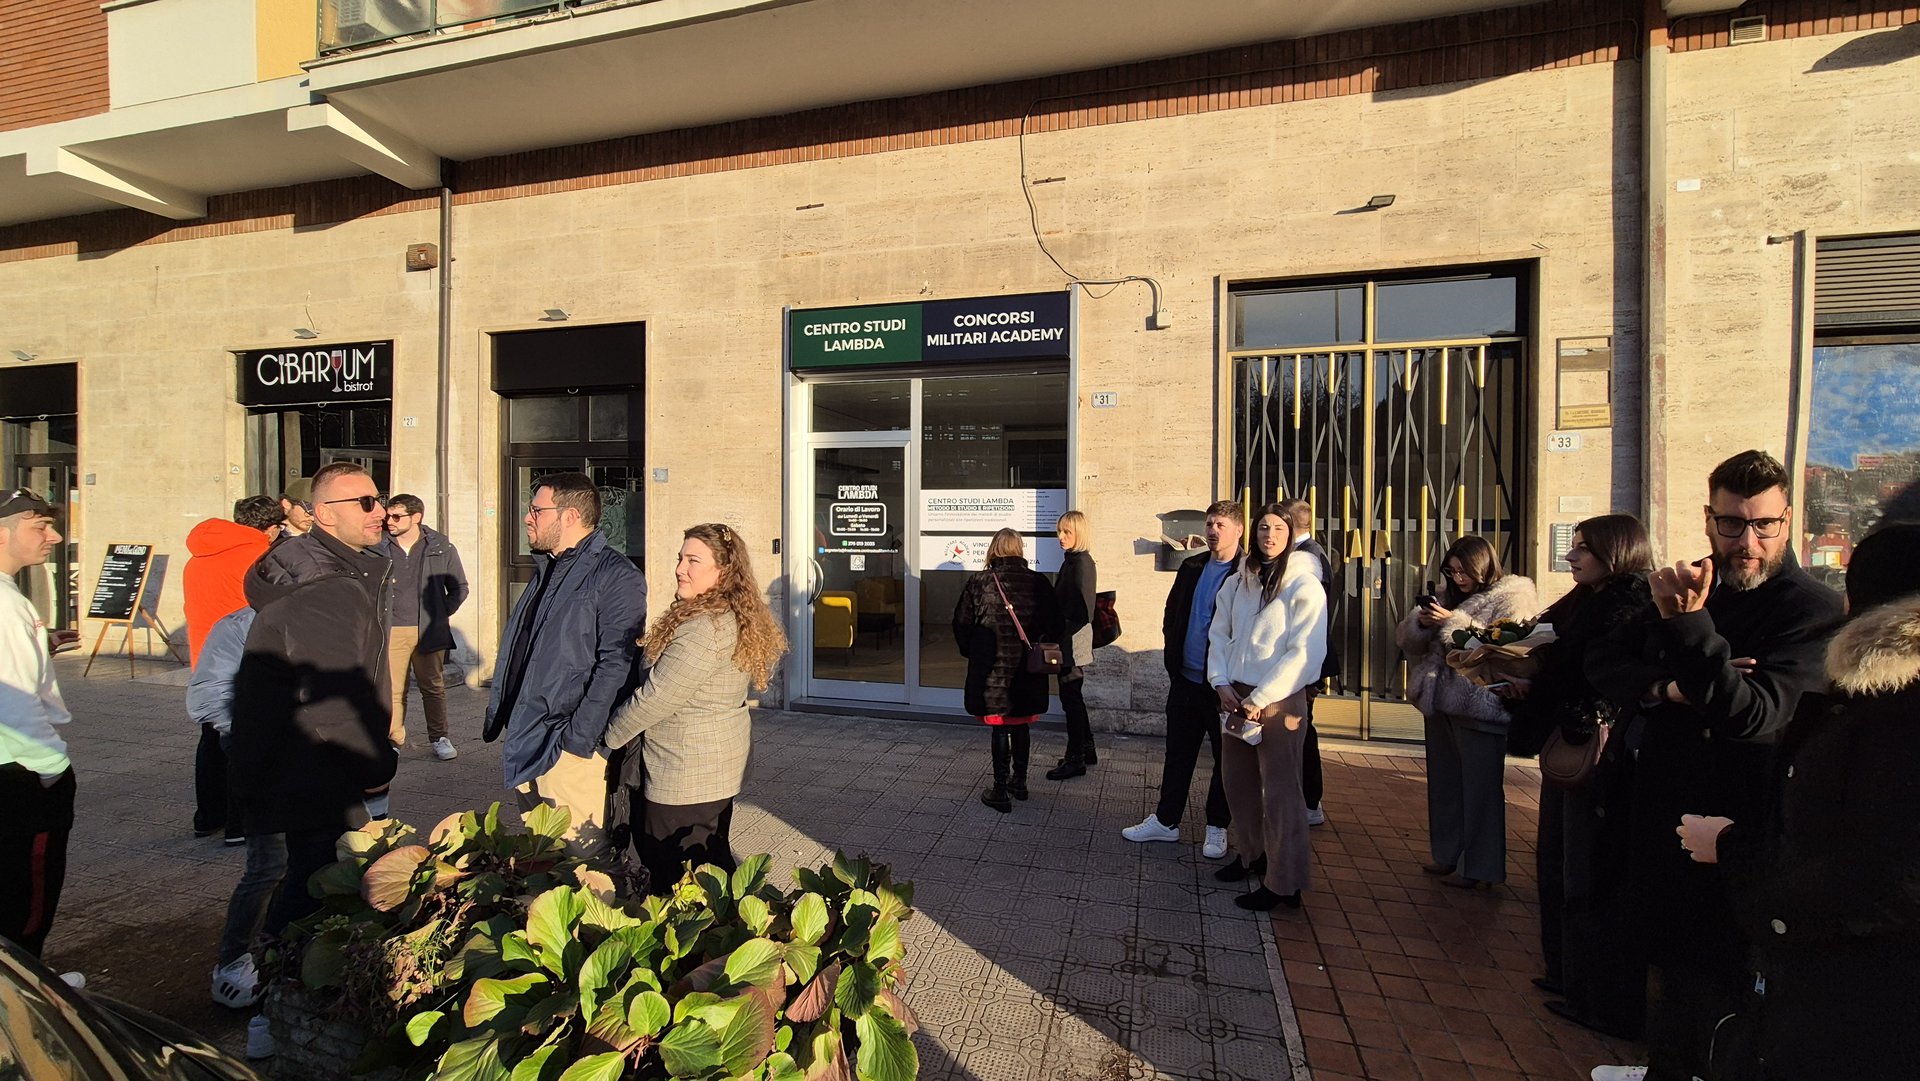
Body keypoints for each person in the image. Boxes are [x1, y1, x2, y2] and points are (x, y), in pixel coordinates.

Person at [1587, 449, 1842, 1081]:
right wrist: (1669, 688)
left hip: (1738, 821)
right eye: (1731, 524)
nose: (1747, 542)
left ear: (1788, 520)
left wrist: (1690, 629)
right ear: (1709, 519)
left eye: (1764, 524)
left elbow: (1753, 714)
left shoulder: (1809, 608)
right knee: (1668, 970)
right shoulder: (1687, 586)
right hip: (1660, 809)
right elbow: (1603, 663)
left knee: (1724, 986)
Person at [1676, 521, 1920, 1081]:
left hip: (1863, 994)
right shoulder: (1875, 694)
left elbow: (1884, 870)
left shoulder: (1893, 709)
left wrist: (1732, 850)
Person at [1498, 514, 1656, 1039]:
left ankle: (1590, 989)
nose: (1571, 556)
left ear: (1617, 551)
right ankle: (1564, 972)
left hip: (1597, 752)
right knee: (1556, 859)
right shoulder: (1581, 600)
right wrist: (1524, 682)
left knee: (1583, 867)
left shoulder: (1631, 605)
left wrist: (1555, 693)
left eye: (1583, 548)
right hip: (1566, 742)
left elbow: (1605, 681)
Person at [228, 462, 397, 943]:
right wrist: (375, 762)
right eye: (365, 503)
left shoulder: (321, 566)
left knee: (308, 875)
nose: (380, 512)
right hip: (309, 766)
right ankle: (270, 973)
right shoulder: (328, 585)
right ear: (324, 513)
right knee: (315, 885)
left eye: (380, 500)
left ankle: (271, 965)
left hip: (300, 762)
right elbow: (329, 696)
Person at [603, 523, 786, 892]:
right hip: (710, 768)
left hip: (686, 773)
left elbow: (655, 698)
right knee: (709, 865)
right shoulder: (720, 614)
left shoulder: (706, 629)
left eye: (693, 560)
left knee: (677, 871)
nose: (680, 568)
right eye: (680, 558)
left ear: (724, 571)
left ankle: (724, 927)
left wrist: (606, 738)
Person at [485, 473, 647, 858]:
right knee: (542, 855)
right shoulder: (550, 568)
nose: (527, 518)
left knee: (584, 861)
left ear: (569, 516)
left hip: (568, 748)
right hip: (529, 736)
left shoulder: (616, 576)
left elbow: (617, 666)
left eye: (536, 510)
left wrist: (577, 740)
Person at [1397, 535, 1537, 889]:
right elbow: (1408, 642)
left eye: (1464, 571)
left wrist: (1452, 622)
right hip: (1440, 701)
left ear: (1484, 567)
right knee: (1445, 784)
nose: (1459, 578)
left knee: (1481, 790)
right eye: (1452, 571)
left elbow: (1506, 648)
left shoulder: (1513, 596)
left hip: (1481, 701)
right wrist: (1422, 623)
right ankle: (1447, 853)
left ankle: (1480, 868)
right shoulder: (1447, 596)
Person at [1208, 502, 1327, 911]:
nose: (1270, 535)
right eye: (1263, 527)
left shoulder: (1304, 585)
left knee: (1280, 793)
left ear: (1291, 534)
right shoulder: (1238, 582)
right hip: (1235, 696)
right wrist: (1220, 682)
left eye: (1278, 528)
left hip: (1278, 698)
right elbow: (1218, 634)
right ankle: (1252, 856)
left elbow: (1304, 653)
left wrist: (1260, 698)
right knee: (1237, 783)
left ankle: (1284, 882)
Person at [1124, 499, 1243, 858]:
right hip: (1185, 680)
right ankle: (1166, 821)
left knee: (1226, 759)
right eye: (1209, 524)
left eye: (1220, 525)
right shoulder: (1193, 566)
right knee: (1178, 753)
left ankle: (1217, 826)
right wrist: (1172, 658)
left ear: (1239, 530)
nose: (1212, 531)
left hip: (1224, 688)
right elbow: (1172, 612)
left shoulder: (1246, 573)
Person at [191, 605, 284, 1009]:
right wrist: (248, 739)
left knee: (310, 860)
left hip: (315, 755)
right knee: (269, 864)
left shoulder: (326, 614)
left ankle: (283, 950)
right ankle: (232, 962)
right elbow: (208, 695)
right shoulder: (238, 626)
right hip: (261, 755)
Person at [183, 495, 285, 844]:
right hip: (241, 657)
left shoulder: (198, 556)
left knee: (211, 739)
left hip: (204, 656)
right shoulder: (259, 557)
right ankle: (238, 824)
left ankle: (206, 817)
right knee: (244, 742)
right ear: (270, 528)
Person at [0, 489, 74, 957]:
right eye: (40, 526)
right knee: (25, 905)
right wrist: (52, 768)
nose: (55, 536)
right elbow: (14, 703)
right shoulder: (7, 607)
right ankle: (28, 986)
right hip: (18, 777)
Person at [952, 528, 1062, 812]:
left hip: (993, 670)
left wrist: (975, 651)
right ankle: (1020, 783)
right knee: (1021, 722)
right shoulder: (1039, 582)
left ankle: (1000, 790)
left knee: (1000, 726)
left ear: (994, 549)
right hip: (1027, 669)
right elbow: (1055, 625)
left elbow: (961, 624)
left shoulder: (979, 582)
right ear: (1019, 549)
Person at [379, 493, 469, 760]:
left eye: (397, 516)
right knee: (394, 689)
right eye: (388, 516)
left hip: (428, 628)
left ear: (416, 517)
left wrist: (440, 613)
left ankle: (439, 737)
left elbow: (459, 587)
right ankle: (394, 740)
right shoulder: (379, 546)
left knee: (433, 687)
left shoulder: (441, 546)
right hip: (393, 628)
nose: (390, 521)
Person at [1278, 498, 1337, 826]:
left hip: (1305, 666)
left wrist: (1312, 676)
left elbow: (1315, 622)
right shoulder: (1306, 552)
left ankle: (1310, 802)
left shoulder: (1310, 557)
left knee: (1301, 732)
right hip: (1303, 665)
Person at [1045, 510, 1098, 780]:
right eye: (1059, 531)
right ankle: (1086, 749)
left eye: (1067, 531)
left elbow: (1082, 611)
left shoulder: (1081, 563)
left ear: (1079, 533)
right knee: (1073, 697)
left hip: (1072, 641)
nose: (1061, 536)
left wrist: (1057, 632)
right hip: (1070, 639)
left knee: (1071, 699)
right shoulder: (1073, 561)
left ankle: (1075, 757)